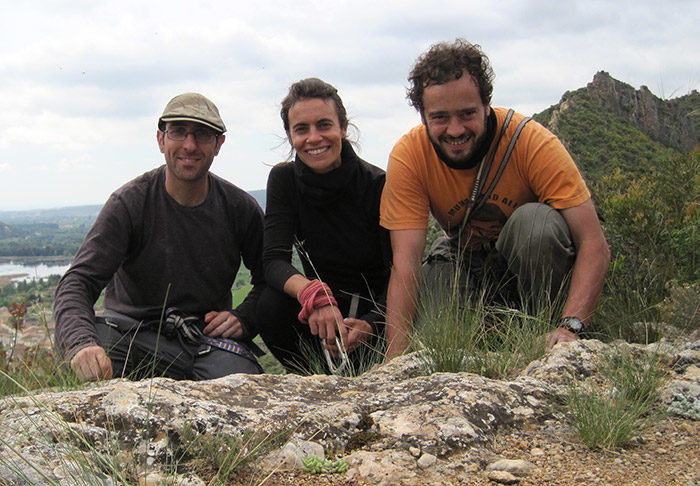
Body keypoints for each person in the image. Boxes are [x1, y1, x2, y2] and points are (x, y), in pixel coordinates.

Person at [380, 39, 610, 359]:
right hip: (466, 260)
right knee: (436, 340)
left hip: (530, 270)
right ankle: (486, 338)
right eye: (440, 117)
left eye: (467, 114)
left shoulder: (530, 141)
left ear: (487, 105)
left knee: (535, 225)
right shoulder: (409, 156)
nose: (455, 130)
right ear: (422, 116)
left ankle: (546, 331)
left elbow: (594, 244)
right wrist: (395, 362)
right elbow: (406, 265)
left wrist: (571, 326)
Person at [54, 92, 266, 382]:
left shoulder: (239, 208)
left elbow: (269, 278)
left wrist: (245, 317)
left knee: (244, 385)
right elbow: (78, 281)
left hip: (203, 342)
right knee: (93, 357)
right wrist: (81, 343)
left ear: (219, 144)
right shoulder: (129, 203)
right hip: (130, 336)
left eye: (203, 134)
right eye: (178, 132)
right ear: (161, 140)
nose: (189, 145)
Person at [256, 78, 391, 374]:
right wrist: (313, 295)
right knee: (270, 304)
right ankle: (312, 378)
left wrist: (371, 323)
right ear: (290, 136)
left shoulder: (376, 185)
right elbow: (274, 261)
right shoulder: (285, 180)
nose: (314, 138)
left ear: (343, 128)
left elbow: (398, 274)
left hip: (375, 318)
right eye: (301, 129)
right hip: (320, 316)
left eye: (324, 125)